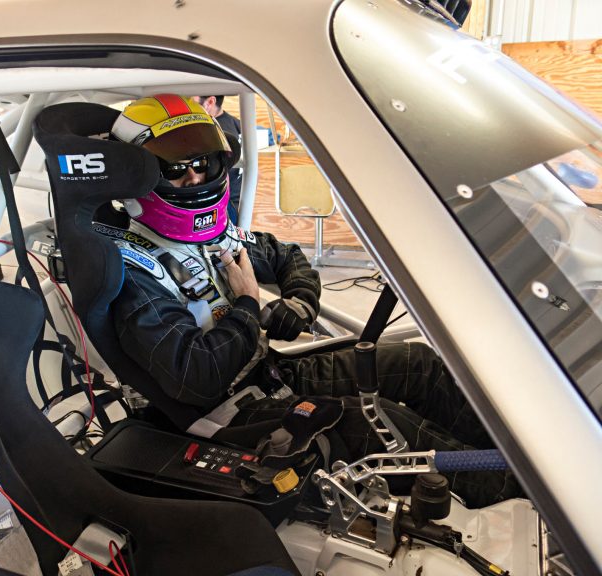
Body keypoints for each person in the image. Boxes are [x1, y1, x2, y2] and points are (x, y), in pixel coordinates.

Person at [107, 94, 521, 508]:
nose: (195, 179)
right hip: (225, 415)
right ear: (136, 179)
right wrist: (248, 304)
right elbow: (196, 378)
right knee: (381, 423)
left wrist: (300, 302)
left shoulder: (217, 233)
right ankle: (514, 498)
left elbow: (287, 255)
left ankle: (516, 463)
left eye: (203, 164)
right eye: (175, 170)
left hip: (270, 375)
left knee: (419, 364)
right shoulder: (131, 269)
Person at [192, 95, 243, 223]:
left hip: (221, 206)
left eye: (191, 100)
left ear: (210, 102)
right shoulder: (237, 123)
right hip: (234, 205)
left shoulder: (212, 132)